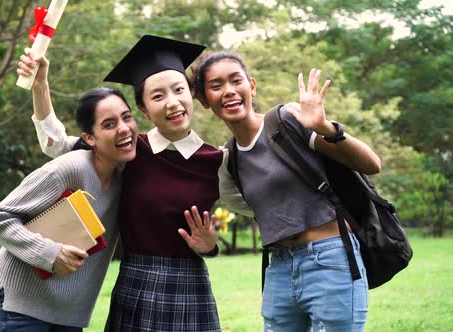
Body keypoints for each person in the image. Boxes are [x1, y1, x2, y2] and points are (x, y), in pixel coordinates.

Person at [25, 35, 251, 332]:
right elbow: (54, 142)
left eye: (179, 90)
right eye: (158, 96)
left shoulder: (216, 160)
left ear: (192, 95)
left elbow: (256, 205)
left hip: (190, 286)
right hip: (136, 283)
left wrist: (210, 247)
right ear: (144, 111)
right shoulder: (128, 151)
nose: (172, 102)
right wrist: (40, 84)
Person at [192, 52, 382, 331]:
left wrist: (325, 128)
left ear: (252, 86)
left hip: (330, 258)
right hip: (279, 267)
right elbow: (252, 207)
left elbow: (371, 164)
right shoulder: (228, 158)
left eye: (236, 81)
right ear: (205, 100)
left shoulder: (286, 120)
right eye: (217, 85)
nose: (229, 91)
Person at [0, 85, 139, 331]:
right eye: (109, 124)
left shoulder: (126, 176)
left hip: (69, 314)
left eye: (126, 117)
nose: (123, 128)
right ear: (89, 138)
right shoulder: (68, 169)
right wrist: (50, 253)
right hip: (23, 305)